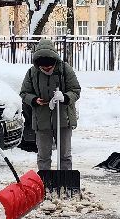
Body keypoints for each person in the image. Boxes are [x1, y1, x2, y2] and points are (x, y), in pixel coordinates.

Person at [19, 38, 80, 175]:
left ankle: (65, 181)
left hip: (63, 119)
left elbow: (75, 90)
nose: (47, 69)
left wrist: (65, 97)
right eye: (43, 67)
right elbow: (24, 92)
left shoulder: (65, 69)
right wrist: (34, 100)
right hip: (42, 120)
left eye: (50, 67)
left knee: (64, 155)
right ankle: (46, 182)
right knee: (43, 156)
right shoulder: (32, 73)